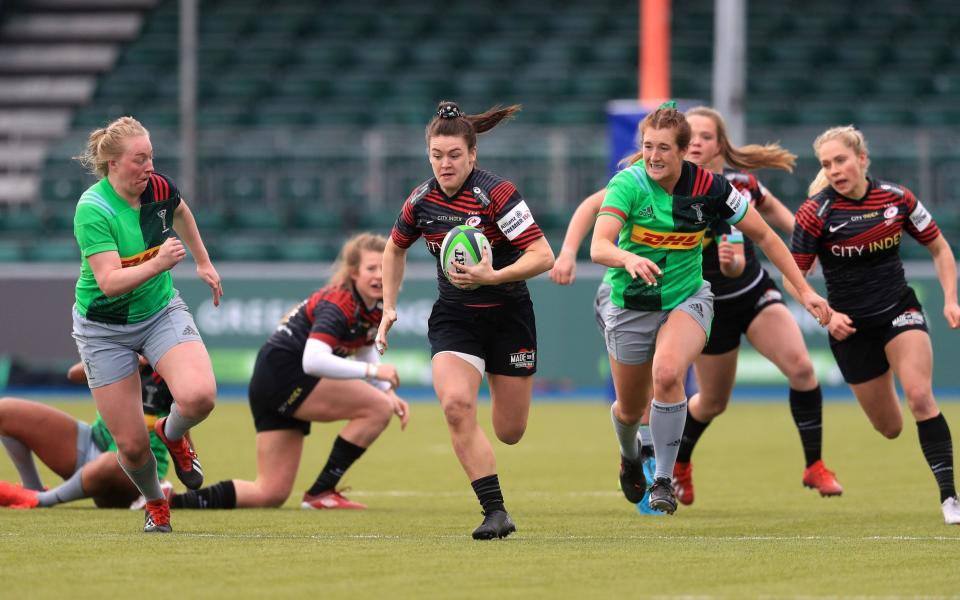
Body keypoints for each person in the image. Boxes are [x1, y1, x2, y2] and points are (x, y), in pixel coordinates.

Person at [591, 102, 831, 514]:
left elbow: (767, 236)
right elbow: (599, 246)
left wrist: (804, 291)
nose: (653, 156)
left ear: (683, 152)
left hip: (688, 297)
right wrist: (627, 258)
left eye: (664, 148)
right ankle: (631, 456)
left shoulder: (713, 187)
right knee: (630, 410)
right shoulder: (627, 184)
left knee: (668, 374)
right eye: (648, 146)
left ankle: (663, 479)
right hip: (630, 303)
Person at [377, 101, 555, 539]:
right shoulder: (421, 200)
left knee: (510, 432)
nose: (445, 164)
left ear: (472, 155)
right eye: (436, 155)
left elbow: (543, 255)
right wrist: (388, 305)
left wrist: (493, 275)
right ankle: (495, 512)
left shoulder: (498, 194)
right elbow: (394, 248)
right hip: (455, 318)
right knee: (456, 406)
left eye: (454, 155)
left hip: (510, 316)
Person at [669, 106, 843, 506]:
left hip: (753, 294)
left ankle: (814, 465)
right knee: (713, 402)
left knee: (802, 368)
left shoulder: (740, 183)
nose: (696, 141)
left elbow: (782, 222)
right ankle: (680, 464)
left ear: (720, 144)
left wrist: (812, 246)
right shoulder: (667, 188)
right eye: (690, 134)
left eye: (706, 136)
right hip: (705, 307)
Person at [791, 125, 960, 524]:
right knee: (890, 428)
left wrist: (951, 299)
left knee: (920, 396)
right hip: (850, 328)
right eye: (826, 164)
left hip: (898, 310)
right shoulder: (815, 213)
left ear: (862, 159)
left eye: (841, 160)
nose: (834, 170)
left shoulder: (897, 199)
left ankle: (950, 498)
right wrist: (826, 316)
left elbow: (939, 248)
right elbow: (793, 277)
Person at [170, 233, 410, 511]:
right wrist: (376, 375)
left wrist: (386, 390)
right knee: (377, 409)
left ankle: (173, 501)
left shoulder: (375, 306)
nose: (379, 275)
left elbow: (364, 347)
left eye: (384, 267)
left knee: (270, 493)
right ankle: (322, 492)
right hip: (285, 376)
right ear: (354, 272)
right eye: (371, 268)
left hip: (272, 379)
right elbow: (313, 361)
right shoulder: (339, 304)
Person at [71, 116, 221, 532]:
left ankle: (173, 434)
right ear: (114, 164)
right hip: (103, 327)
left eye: (152, 156)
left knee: (199, 398)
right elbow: (110, 282)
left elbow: (182, 211)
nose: (150, 167)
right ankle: (156, 502)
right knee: (133, 446)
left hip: (158, 312)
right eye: (140, 160)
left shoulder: (158, 187)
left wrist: (204, 262)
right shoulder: (93, 209)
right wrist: (158, 262)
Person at [0, 359, 174, 509]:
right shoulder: (126, 347)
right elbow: (74, 374)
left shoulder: (170, 364)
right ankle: (32, 489)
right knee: (5, 410)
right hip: (94, 442)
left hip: (138, 474)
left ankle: (40, 500)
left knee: (115, 460)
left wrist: (193, 491)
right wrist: (128, 361)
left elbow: (185, 420)